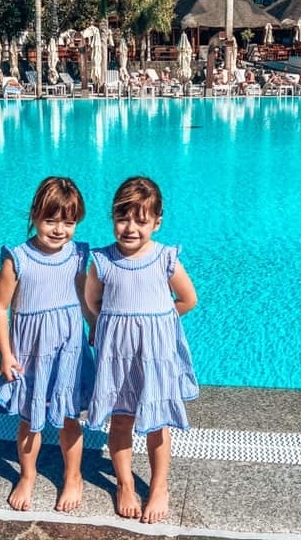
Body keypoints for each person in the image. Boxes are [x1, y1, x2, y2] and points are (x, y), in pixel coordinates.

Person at [85, 177, 198, 524]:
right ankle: (124, 483)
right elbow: (92, 301)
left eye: (141, 220)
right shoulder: (102, 261)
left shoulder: (164, 258)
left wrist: (158, 324)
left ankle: (159, 485)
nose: (130, 228)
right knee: (120, 420)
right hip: (118, 356)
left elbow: (188, 299)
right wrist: (102, 327)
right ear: (112, 217)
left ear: (156, 222)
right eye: (123, 218)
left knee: (157, 423)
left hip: (155, 356)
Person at [0, 177, 95, 513]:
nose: (60, 229)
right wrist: (5, 354)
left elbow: (83, 295)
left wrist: (94, 328)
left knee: (68, 417)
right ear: (34, 215)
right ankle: (27, 475)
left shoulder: (78, 255)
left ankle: (73, 476)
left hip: (69, 349)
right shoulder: (17, 258)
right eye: (51, 220)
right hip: (31, 352)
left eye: (69, 221)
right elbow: (0, 308)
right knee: (28, 418)